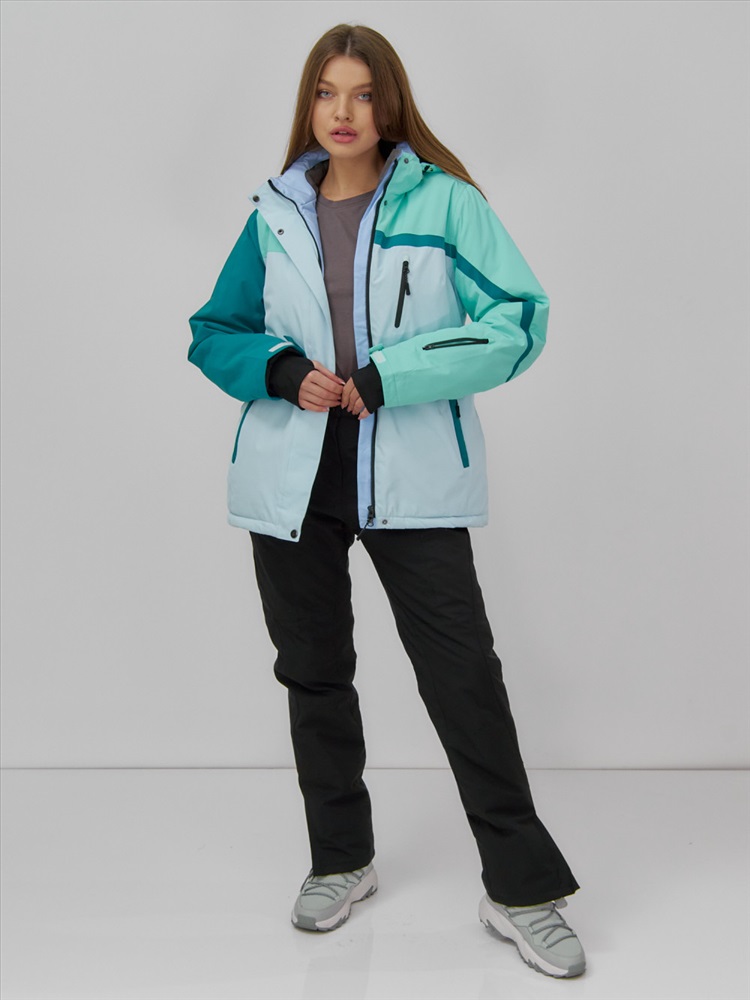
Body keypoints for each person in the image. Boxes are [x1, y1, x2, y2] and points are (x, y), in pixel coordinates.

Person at [188, 23, 585, 979]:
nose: (344, 112)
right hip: (293, 475)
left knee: (463, 676)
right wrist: (280, 369)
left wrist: (391, 375)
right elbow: (214, 331)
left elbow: (518, 321)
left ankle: (521, 889)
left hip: (412, 473)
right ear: (309, 104)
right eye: (328, 92)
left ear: (390, 103)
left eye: (363, 93)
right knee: (313, 672)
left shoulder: (446, 203)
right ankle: (340, 859)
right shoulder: (275, 212)